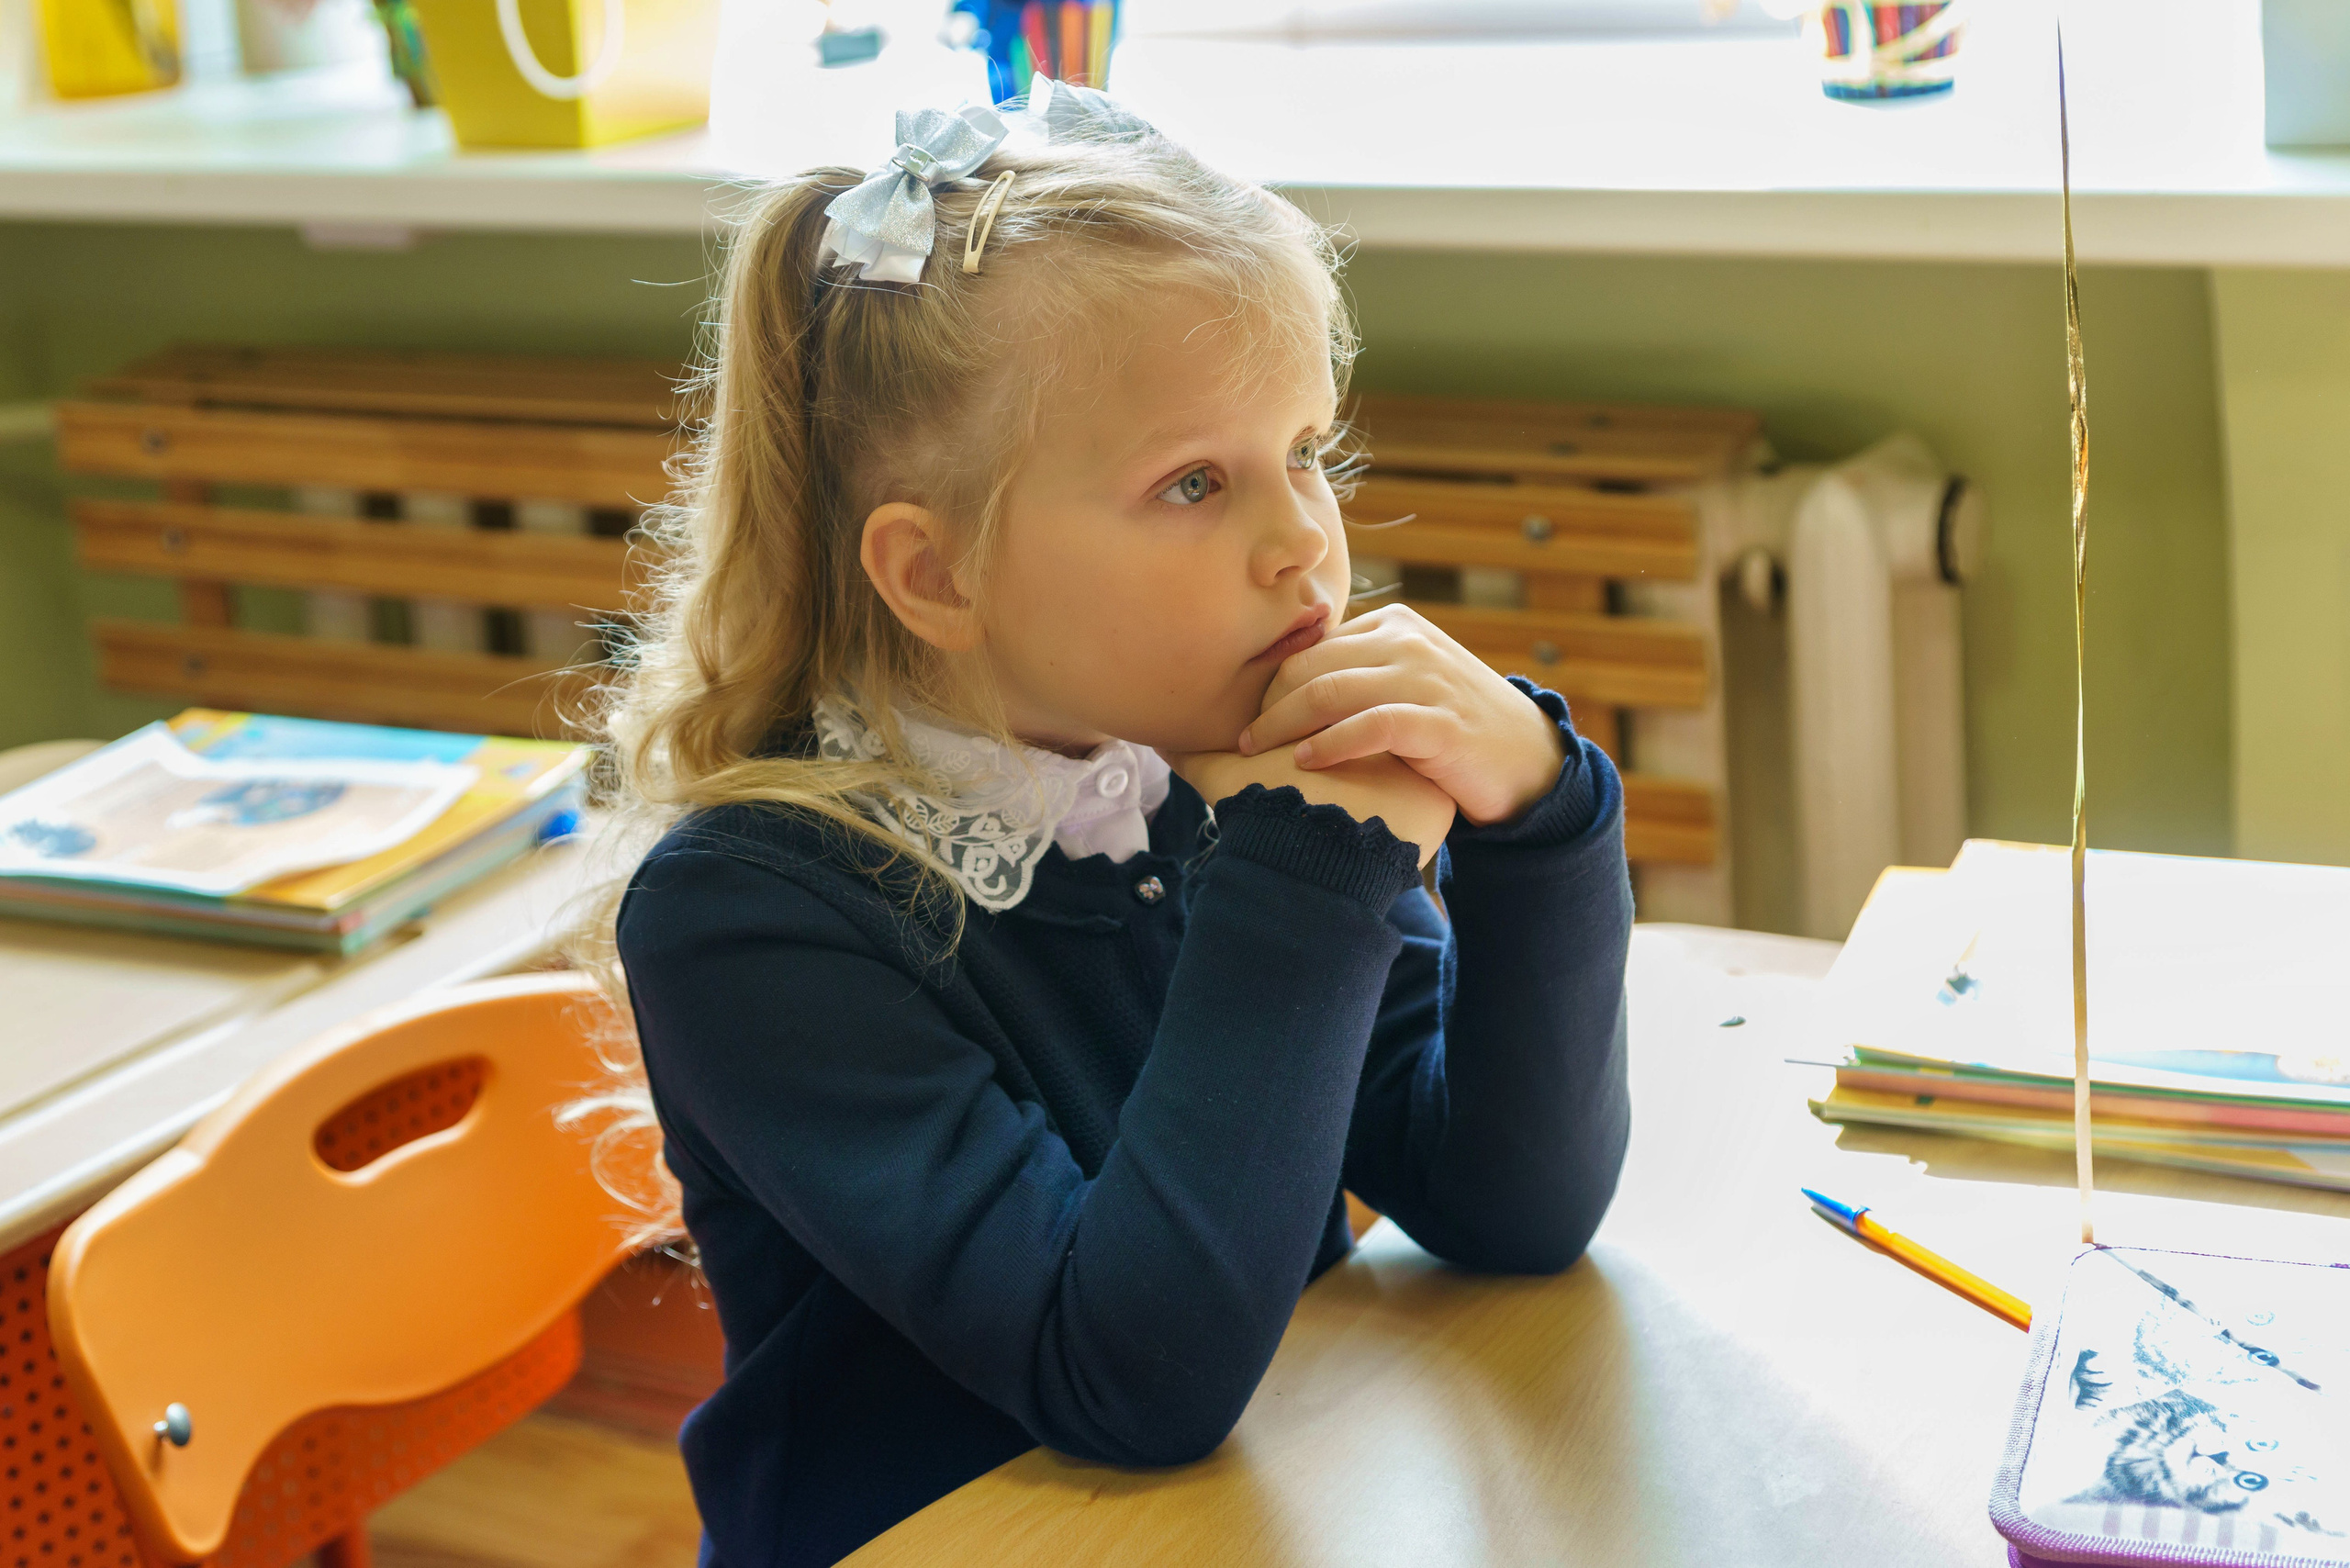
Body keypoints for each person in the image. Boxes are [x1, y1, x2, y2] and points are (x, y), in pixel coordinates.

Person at [575, 82, 1633, 1568]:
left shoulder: (1195, 771)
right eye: (1195, 482)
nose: (1303, 544)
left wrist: (1541, 811)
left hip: (1253, 1515)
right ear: (934, 575)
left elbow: (1506, 1204)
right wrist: (1311, 871)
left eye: (1308, 452)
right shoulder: (752, 917)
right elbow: (1128, 1378)